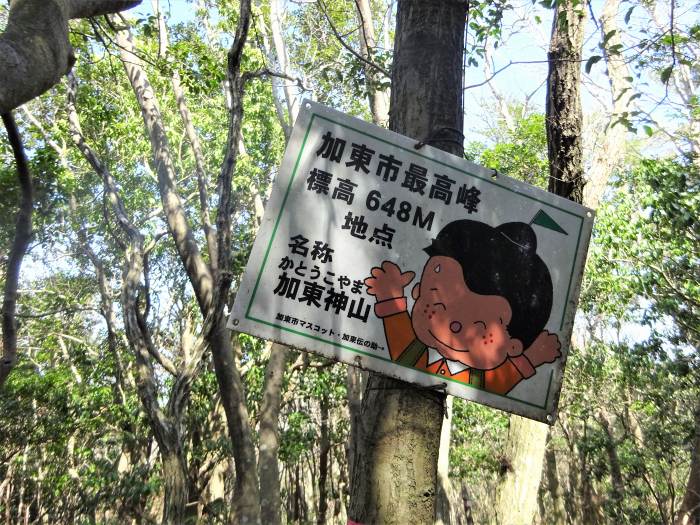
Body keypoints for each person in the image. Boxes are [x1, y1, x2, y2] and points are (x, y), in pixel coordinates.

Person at [364, 219, 561, 395]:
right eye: (437, 297)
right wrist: (390, 296)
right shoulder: (413, 353)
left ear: (513, 346)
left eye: (480, 325)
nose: (453, 326)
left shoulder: (477, 382)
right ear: (418, 291)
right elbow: (401, 346)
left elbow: (498, 384)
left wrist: (531, 358)